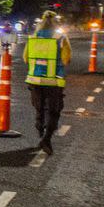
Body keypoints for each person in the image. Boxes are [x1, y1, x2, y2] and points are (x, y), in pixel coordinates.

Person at [22, 10, 71, 155]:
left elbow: (25, 58)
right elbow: (66, 59)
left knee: (40, 107)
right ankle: (46, 139)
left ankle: (39, 125)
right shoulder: (60, 37)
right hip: (54, 81)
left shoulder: (34, 37)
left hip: (35, 80)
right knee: (54, 111)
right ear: (56, 22)